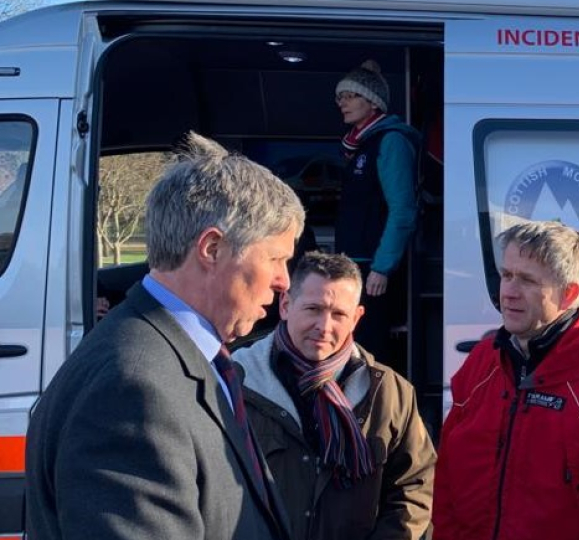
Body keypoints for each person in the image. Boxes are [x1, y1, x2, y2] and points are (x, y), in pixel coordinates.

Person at [25, 132, 304, 540]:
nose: (284, 281)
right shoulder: (133, 389)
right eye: (276, 259)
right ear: (211, 248)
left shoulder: (176, 356)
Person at [432, 220, 579, 540]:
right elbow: (450, 481)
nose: (508, 292)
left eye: (528, 281)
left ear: (569, 293)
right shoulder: (483, 363)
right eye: (506, 275)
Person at [232, 251, 436, 540]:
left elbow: (413, 489)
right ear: (286, 305)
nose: (324, 327)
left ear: (356, 318)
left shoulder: (390, 393)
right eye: (314, 309)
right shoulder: (234, 382)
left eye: (339, 314)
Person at [334, 59, 419, 360]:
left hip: (373, 268)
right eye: (340, 97)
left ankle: (373, 406)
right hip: (355, 263)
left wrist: (382, 267)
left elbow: (403, 210)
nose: (342, 102)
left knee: (370, 350)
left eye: (350, 95)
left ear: (372, 102)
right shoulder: (360, 144)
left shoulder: (390, 141)